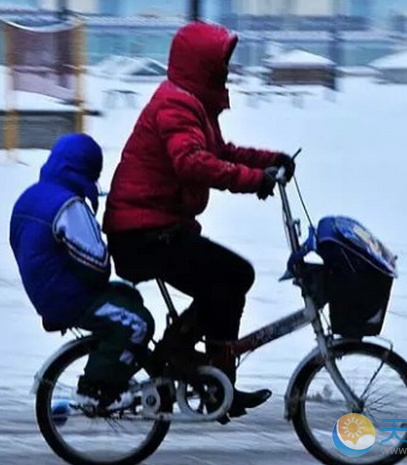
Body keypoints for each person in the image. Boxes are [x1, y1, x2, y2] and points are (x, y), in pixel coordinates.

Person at [103, 22, 295, 420]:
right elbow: (191, 162)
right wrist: (253, 181)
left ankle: (215, 381)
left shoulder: (190, 102)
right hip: (143, 234)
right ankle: (180, 357)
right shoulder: (176, 104)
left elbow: (220, 151)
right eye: (221, 63)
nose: (226, 70)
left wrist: (268, 161)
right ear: (202, 64)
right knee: (232, 275)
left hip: (156, 227)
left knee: (232, 277)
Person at [9, 133, 155, 408]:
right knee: (140, 322)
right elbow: (98, 264)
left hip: (45, 291)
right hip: (69, 297)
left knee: (127, 298)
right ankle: (96, 388)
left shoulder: (31, 195)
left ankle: (110, 362)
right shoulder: (68, 205)